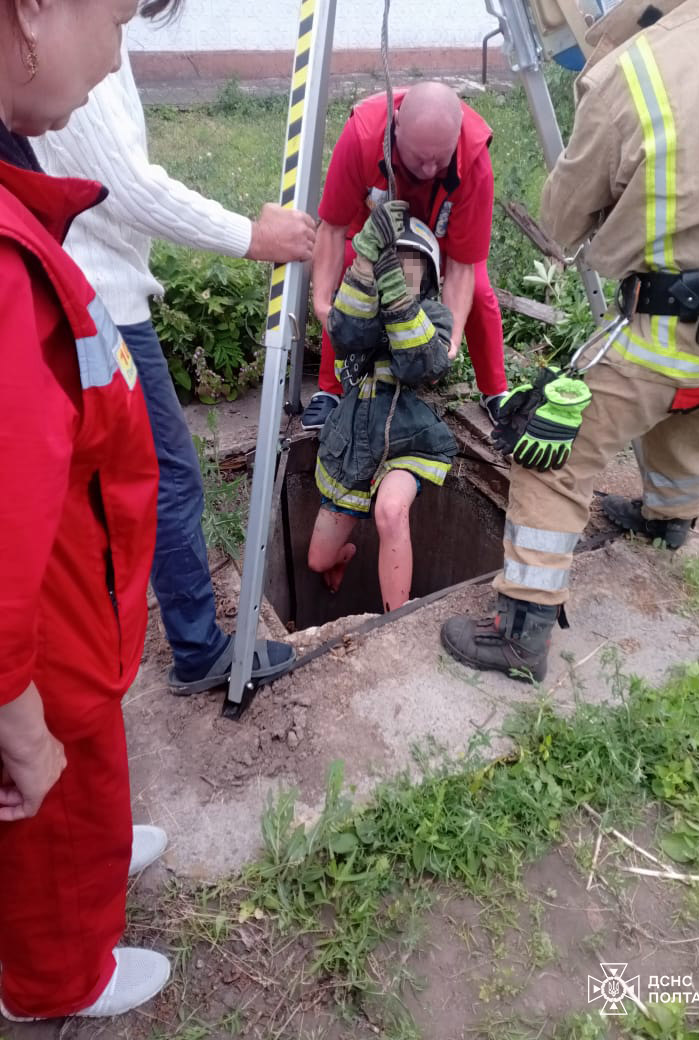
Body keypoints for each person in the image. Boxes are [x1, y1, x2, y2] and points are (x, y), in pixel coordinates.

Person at [441, 0, 699, 682]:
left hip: (663, 330)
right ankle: (670, 517)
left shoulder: (629, 74)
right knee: (688, 401)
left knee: (550, 454)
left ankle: (522, 631)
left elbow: (560, 222)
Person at [33, 6, 316, 696]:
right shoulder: (73, 26)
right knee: (166, 477)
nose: (119, 45)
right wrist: (252, 236)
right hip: (96, 298)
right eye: (121, 20)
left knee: (117, 480)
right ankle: (196, 649)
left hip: (90, 286)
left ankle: (118, 629)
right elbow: (126, 185)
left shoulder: (81, 28)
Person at [0, 0, 176, 1019]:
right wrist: (12, 710)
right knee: (49, 789)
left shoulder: (17, 192)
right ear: (33, 11)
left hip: (79, 581)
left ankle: (100, 859)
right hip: (45, 615)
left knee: (92, 758)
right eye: (115, 19)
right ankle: (57, 979)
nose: (116, 55)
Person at [302, 80, 507, 431]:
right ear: (396, 126)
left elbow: (462, 265)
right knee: (349, 275)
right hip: (371, 226)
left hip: (438, 233)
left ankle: (496, 391)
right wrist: (323, 306)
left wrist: (449, 341)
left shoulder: (474, 160)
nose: (428, 169)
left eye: (439, 160)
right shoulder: (362, 136)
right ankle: (331, 390)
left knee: (479, 290)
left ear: (456, 137)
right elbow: (333, 228)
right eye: (420, 158)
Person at [308, 202, 457, 611]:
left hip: (409, 442)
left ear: (428, 275)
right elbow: (344, 334)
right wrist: (362, 267)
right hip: (353, 447)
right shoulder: (361, 308)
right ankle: (342, 558)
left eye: (410, 264)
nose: (400, 271)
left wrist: (396, 297)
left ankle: (398, 619)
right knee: (317, 560)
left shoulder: (436, 316)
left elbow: (421, 363)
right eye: (390, 262)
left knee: (391, 510)